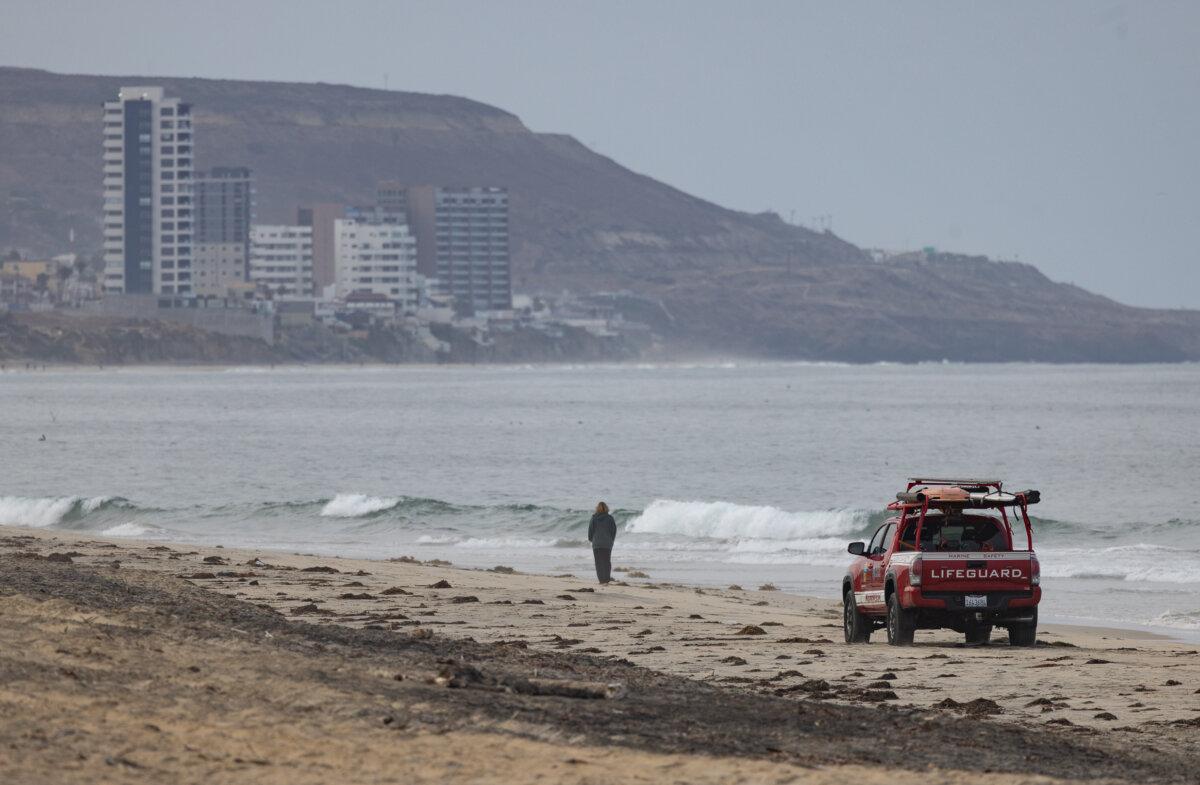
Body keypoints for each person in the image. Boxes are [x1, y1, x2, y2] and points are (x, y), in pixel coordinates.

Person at [587, 501, 617, 585]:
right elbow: (613, 531)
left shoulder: (594, 518)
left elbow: (590, 531)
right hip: (607, 544)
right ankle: (606, 579)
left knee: (598, 562)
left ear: (597, 508)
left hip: (596, 544)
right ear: (607, 508)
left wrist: (591, 539)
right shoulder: (610, 518)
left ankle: (601, 580)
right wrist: (611, 540)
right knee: (607, 562)